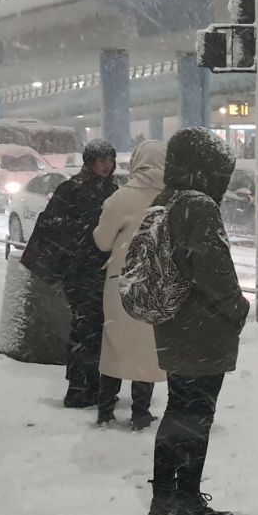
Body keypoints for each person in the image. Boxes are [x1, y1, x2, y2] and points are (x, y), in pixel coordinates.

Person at [148, 127, 249, 515]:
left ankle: (164, 495)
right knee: (196, 419)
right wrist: (238, 308)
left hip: (174, 324)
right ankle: (189, 508)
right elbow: (214, 272)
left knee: (178, 410)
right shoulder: (199, 206)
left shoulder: (167, 199)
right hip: (201, 329)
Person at [36, 139, 118, 409]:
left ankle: (95, 385)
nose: (106, 165)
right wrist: (82, 232)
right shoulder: (70, 189)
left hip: (103, 270)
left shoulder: (113, 191)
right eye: (101, 160)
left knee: (99, 328)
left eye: (109, 160)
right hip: (78, 272)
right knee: (85, 327)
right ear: (90, 161)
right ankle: (80, 388)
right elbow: (50, 225)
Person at [93, 139, 167, 429]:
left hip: (121, 281)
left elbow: (102, 242)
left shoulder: (121, 198)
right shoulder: (172, 199)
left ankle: (105, 410)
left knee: (115, 344)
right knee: (146, 350)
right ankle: (140, 412)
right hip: (155, 282)